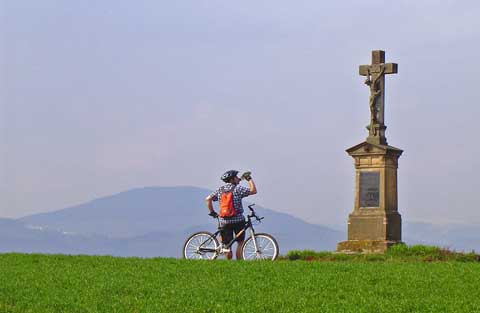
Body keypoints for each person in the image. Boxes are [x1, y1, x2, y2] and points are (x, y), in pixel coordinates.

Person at [205, 170, 257, 260]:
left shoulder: (220, 190)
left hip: (224, 221)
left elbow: (208, 199)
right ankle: (239, 263)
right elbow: (253, 191)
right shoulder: (238, 189)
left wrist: (212, 212)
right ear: (232, 179)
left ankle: (229, 264)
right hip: (238, 220)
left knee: (227, 246)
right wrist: (249, 178)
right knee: (240, 243)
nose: (238, 179)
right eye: (236, 177)